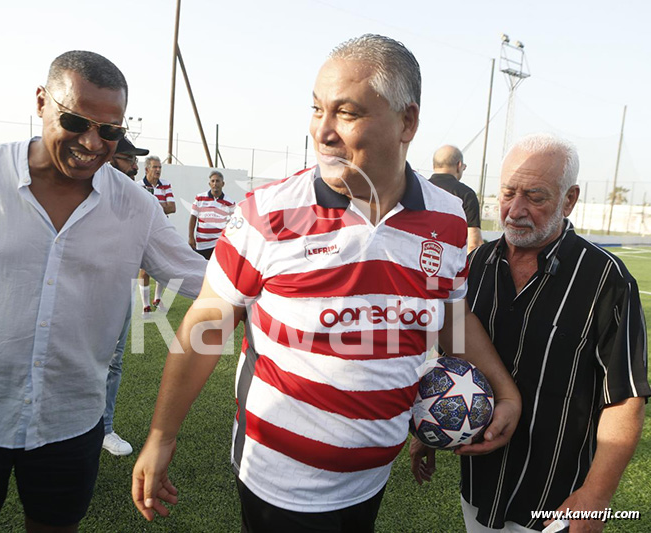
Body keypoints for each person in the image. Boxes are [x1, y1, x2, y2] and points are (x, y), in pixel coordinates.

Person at [132, 34, 521, 532]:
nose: (324, 131)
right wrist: (162, 434)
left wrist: (506, 393)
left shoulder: (446, 219)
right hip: (278, 482)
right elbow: (206, 325)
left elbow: (451, 318)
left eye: (347, 112)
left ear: (408, 121)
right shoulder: (267, 213)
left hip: (372, 479)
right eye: (317, 109)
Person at [0, 51, 206, 532]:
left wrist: (299, 294)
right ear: (42, 101)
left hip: (69, 422)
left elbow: (204, 281)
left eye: (111, 131)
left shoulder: (135, 206)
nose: (93, 142)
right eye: (75, 121)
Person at [411, 134, 650, 532]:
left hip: (553, 503)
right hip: (479, 486)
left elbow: (624, 397)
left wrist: (595, 496)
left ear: (569, 199)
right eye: (508, 193)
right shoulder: (475, 267)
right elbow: (455, 358)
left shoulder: (606, 280)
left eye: (535, 197)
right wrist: (433, 421)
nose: (516, 210)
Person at [102, 137, 151, 456]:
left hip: (123, 288)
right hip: (90, 294)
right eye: (128, 159)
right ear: (109, 160)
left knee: (114, 362)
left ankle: (104, 430)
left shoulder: (136, 197)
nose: (135, 165)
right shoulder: (90, 193)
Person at [138, 155, 175, 316]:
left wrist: (151, 205)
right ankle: (145, 305)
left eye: (160, 167)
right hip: (144, 230)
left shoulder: (166, 184)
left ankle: (157, 299)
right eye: (155, 167)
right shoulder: (138, 186)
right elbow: (139, 210)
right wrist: (160, 206)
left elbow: (172, 208)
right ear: (146, 169)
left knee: (163, 265)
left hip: (161, 230)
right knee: (144, 269)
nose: (158, 170)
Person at [429, 145, 483, 252]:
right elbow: (473, 243)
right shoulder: (466, 194)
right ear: (459, 165)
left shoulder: (420, 189)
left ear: (434, 165)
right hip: (452, 264)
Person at [188, 170, 236, 259]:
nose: (215, 184)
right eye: (212, 181)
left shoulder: (229, 202)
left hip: (219, 244)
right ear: (209, 183)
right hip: (201, 244)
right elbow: (193, 217)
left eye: (218, 181)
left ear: (223, 183)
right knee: (201, 270)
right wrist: (191, 237)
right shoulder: (200, 198)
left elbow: (233, 223)